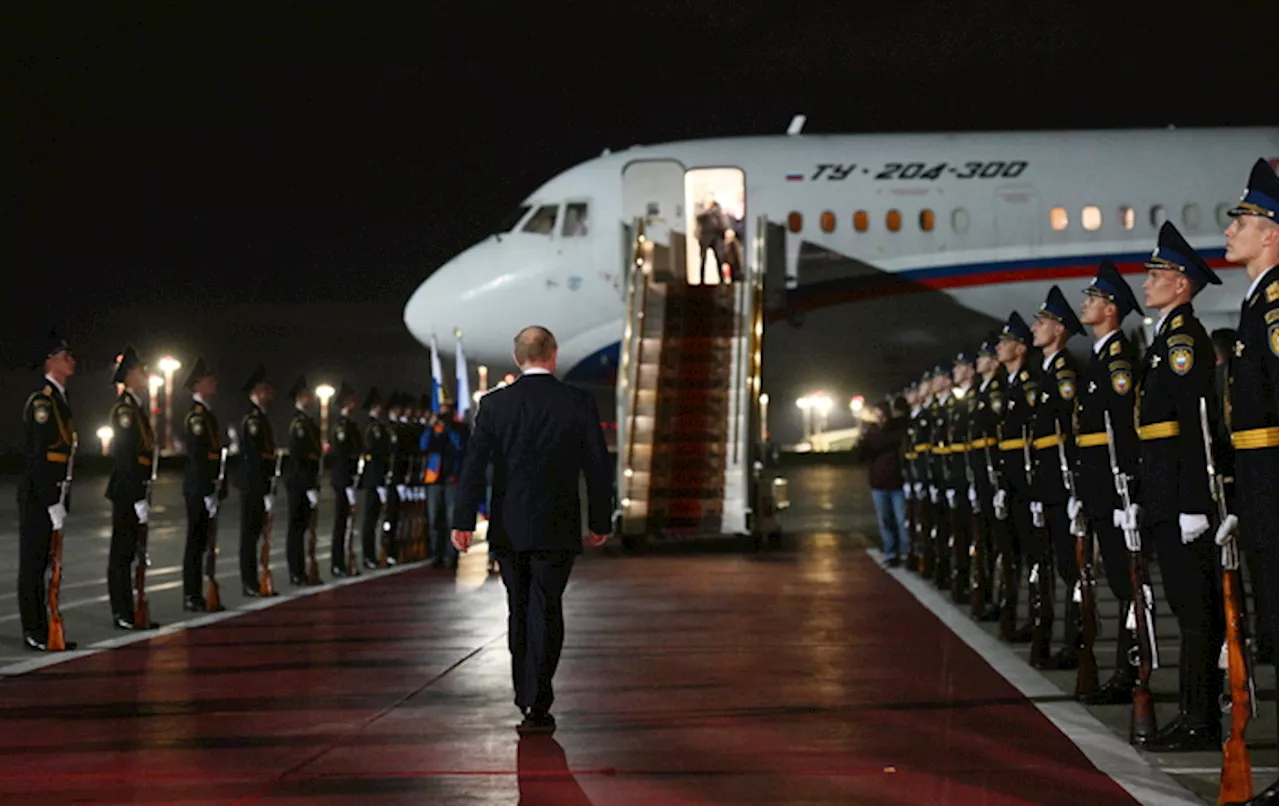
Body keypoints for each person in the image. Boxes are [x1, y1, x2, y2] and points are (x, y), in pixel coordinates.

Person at [451, 326, 612, 735]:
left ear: (517, 356)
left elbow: (473, 468)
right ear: (553, 355)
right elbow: (597, 466)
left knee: (518, 609)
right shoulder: (577, 402)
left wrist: (463, 522)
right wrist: (600, 521)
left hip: (509, 525)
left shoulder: (493, 405)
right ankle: (539, 697)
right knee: (548, 607)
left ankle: (525, 693)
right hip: (558, 525)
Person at [1136, 221, 1224, 752]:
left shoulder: (1184, 339)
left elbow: (1195, 427)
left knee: (1196, 612)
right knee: (1186, 609)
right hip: (1165, 494)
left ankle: (1200, 718)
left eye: (1156, 274)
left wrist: (1194, 503)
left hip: (1180, 498)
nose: (1146, 283)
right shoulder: (1165, 338)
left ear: (1181, 282)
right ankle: (1194, 713)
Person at [1219, 159, 1280, 805]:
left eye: (1244, 218)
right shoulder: (1259, 299)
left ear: (1273, 232)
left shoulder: (1277, 301)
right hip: (1263, 492)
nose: (1231, 228)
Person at [1074, 260, 1143, 704]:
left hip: (1116, 489)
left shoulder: (1118, 360)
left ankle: (1130, 673)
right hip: (1098, 488)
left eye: (1094, 298)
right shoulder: (1100, 358)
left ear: (1112, 309)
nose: (1086, 304)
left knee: (1127, 585)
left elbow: (1124, 430)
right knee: (1118, 584)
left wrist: (1129, 492)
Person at [1027, 286, 1085, 670]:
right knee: (1056, 566)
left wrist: (1074, 489)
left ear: (1059, 330)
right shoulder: (1046, 372)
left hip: (1064, 486)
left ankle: (1076, 644)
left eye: (1043, 322)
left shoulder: (1064, 373)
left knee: (1072, 569)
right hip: (1048, 485)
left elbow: (1070, 433)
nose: (1036, 328)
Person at [18, 331, 78, 651]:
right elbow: (39, 457)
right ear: (50, 361)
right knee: (33, 565)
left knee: (47, 565)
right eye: (65, 356)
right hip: (38, 496)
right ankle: (34, 630)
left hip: (53, 495)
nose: (72, 360)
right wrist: (50, 501)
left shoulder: (61, 401)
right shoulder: (42, 402)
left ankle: (46, 627)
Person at [105, 345, 159, 630]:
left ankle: (130, 610)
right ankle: (122, 612)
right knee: (122, 554)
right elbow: (126, 457)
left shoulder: (136, 409)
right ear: (129, 376)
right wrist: (138, 497)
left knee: (130, 553)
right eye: (141, 371)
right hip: (127, 490)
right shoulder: (125, 410)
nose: (146, 374)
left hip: (136, 489)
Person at [994, 311, 1038, 643]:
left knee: (1036, 555)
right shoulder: (1007, 384)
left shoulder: (1029, 382)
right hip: (1009, 478)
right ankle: (1021, 613)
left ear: (1020, 348)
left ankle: (1040, 619)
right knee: (1014, 551)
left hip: (1028, 479)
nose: (999, 348)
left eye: (1005, 342)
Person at [181, 356, 225, 612]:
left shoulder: (208, 416)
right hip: (199, 487)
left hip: (207, 487)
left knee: (204, 542)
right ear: (198, 386)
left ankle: (200, 593)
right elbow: (199, 457)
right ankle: (191, 594)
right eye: (209, 380)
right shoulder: (196, 417)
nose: (214, 383)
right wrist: (208, 490)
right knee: (195, 544)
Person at [237, 365, 278, 597]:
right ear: (255, 392)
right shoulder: (253, 419)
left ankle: (255, 581)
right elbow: (255, 457)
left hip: (260, 484)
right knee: (250, 536)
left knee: (256, 534)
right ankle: (249, 582)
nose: (269, 393)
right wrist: (264, 489)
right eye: (265, 389)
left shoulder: (261, 418)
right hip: (253, 484)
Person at [859, 398, 908, 566]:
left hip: (896, 481)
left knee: (901, 521)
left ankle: (905, 553)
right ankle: (890, 552)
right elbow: (860, 454)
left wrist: (873, 439)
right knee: (885, 521)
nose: (879, 419)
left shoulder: (894, 430)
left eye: (881, 415)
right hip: (878, 483)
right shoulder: (870, 433)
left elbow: (887, 441)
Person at [285, 376, 321, 585]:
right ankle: (296, 572)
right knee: (296, 529)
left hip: (306, 481)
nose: (311, 398)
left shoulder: (308, 423)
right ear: (300, 398)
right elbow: (299, 456)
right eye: (307, 394)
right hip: (299, 483)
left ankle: (302, 571)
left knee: (302, 528)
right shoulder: (299, 424)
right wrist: (309, 486)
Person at [329, 382, 362, 577]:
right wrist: (348, 481)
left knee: (348, 524)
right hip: (343, 480)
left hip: (349, 479)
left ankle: (345, 562)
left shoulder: (350, 425)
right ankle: (337, 563)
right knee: (341, 524)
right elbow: (341, 456)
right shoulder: (341, 426)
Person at [359, 387, 392, 569]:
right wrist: (379, 482)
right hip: (374, 480)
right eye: (378, 405)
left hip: (379, 479)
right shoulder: (373, 428)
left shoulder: (379, 427)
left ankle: (374, 555)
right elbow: (375, 456)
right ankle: (368, 556)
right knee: (370, 520)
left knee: (376, 519)